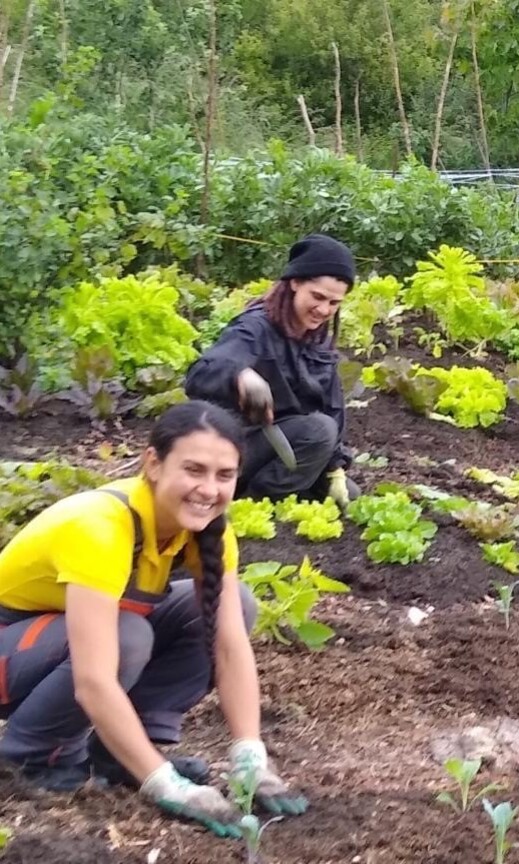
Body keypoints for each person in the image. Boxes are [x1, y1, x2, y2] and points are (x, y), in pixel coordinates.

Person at [0, 401, 307, 838]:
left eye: (224, 476)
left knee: (233, 604)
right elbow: (93, 679)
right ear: (153, 464)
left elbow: (228, 645)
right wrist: (164, 784)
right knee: (127, 636)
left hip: (46, 646)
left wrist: (250, 755)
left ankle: (119, 752)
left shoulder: (208, 531)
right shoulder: (100, 527)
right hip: (10, 653)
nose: (208, 489)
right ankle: (35, 753)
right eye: (194, 470)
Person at [185, 233, 359, 506]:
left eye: (334, 303)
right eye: (318, 296)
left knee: (347, 492)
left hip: (283, 447)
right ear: (295, 282)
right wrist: (241, 376)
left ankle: (281, 491)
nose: (324, 309)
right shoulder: (255, 328)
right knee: (319, 432)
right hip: (233, 446)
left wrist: (335, 468)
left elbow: (332, 408)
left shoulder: (318, 340)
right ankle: (252, 500)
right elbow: (202, 372)